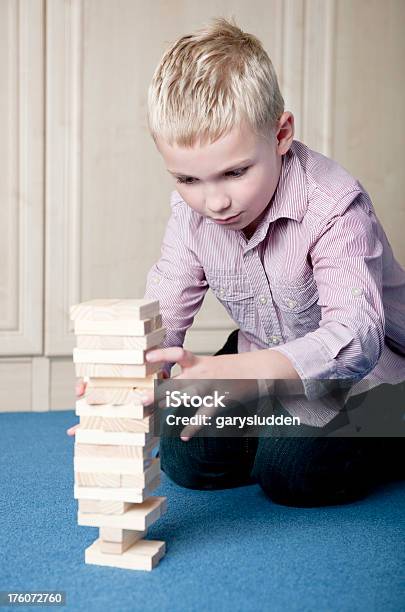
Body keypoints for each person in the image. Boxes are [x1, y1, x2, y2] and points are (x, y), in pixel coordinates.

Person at [68, 17, 405, 507]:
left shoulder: (334, 203)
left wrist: (245, 378)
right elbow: (163, 314)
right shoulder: (191, 213)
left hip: (368, 372)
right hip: (259, 351)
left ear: (281, 133)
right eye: (188, 179)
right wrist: (125, 387)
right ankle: (269, 425)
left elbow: (355, 337)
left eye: (235, 172)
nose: (214, 202)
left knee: (292, 471)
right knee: (185, 452)